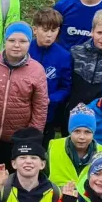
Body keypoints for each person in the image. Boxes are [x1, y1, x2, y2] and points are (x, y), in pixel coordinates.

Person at [0, 22, 49, 165]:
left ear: (29, 43)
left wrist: (31, 135)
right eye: (12, 40)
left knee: (10, 177)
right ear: (5, 41)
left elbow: (40, 106)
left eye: (22, 41)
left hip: (17, 135)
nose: (16, 45)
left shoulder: (37, 70)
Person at [28, 8, 73, 136]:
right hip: (22, 111)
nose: (49, 35)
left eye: (53, 31)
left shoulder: (64, 56)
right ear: (35, 30)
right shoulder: (25, 50)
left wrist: (50, 99)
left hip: (48, 114)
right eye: (45, 30)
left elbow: (66, 87)